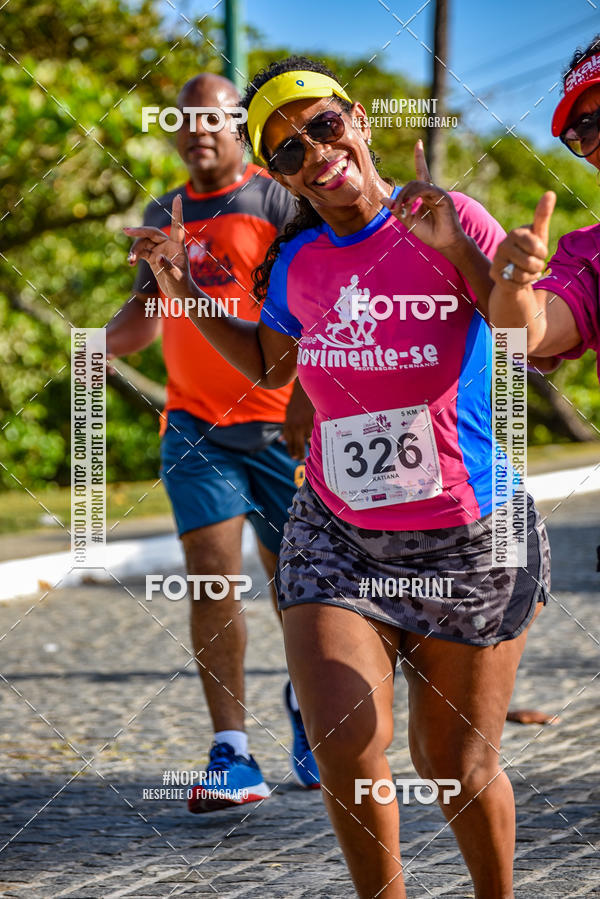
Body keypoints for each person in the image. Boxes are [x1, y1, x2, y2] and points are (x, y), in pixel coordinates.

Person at [124, 56, 551, 898]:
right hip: (337, 533)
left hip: (469, 533)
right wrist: (181, 289)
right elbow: (270, 364)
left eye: (322, 127)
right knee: (345, 747)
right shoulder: (298, 260)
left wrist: (497, 268)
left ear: (357, 120)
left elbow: (519, 335)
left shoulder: (444, 216)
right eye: (286, 152)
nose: (314, 154)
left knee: (454, 765)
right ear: (277, 174)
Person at [107, 72, 320, 813]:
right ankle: (231, 751)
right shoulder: (162, 211)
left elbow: (311, 303)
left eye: (216, 118)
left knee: (296, 587)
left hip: (280, 426)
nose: (200, 130)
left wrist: (306, 398)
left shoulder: (278, 199)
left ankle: (309, 701)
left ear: (238, 125)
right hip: (196, 428)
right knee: (208, 575)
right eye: (187, 119)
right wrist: (89, 345)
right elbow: (140, 319)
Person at [489, 35, 600, 571]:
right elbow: (529, 333)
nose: (594, 138)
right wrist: (512, 285)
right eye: (583, 130)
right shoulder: (587, 252)